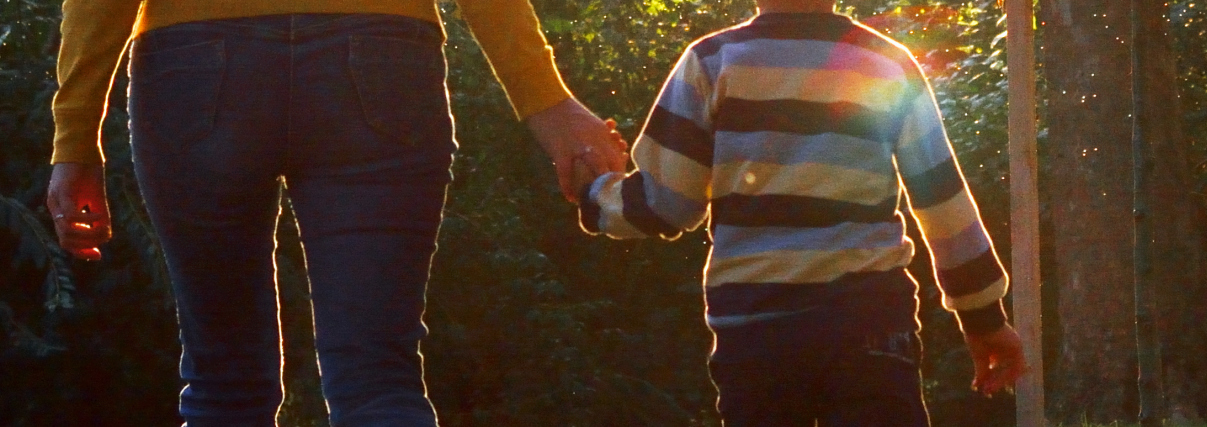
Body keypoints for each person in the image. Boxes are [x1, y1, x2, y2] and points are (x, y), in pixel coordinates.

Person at [45, 1, 626, 426]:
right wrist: (546, 101)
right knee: (378, 381)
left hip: (195, 65)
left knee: (223, 388)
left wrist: (74, 141)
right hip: (380, 54)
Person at [572, 0, 1027, 425]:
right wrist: (983, 317)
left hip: (756, 332)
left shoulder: (712, 63)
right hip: (869, 324)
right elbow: (942, 200)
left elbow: (665, 204)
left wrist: (595, 192)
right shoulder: (887, 65)